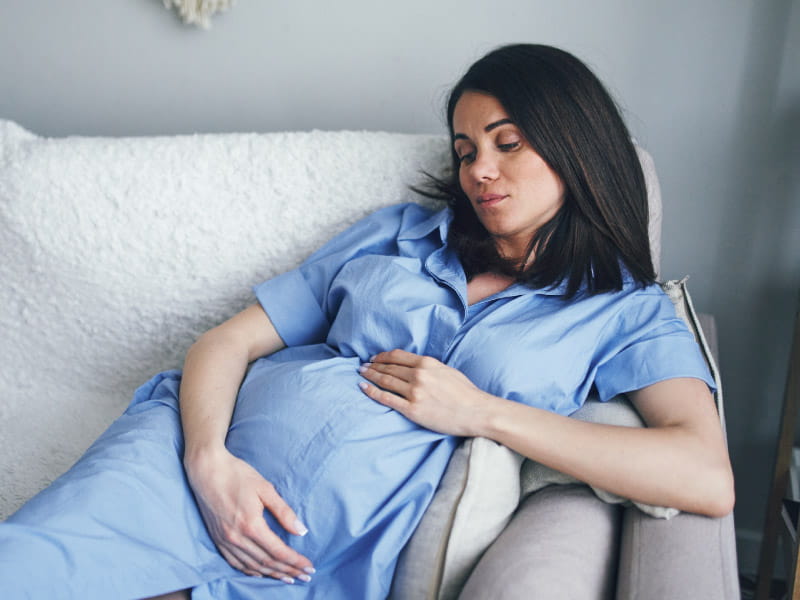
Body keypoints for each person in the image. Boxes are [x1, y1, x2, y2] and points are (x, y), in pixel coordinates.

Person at [0, 43, 734, 600]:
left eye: (508, 142)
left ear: (577, 147)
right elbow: (228, 342)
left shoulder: (626, 311)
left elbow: (704, 476)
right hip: (182, 466)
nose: (479, 169)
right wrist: (208, 463)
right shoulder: (400, 234)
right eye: (466, 148)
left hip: (315, 553)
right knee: (28, 570)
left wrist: (481, 412)